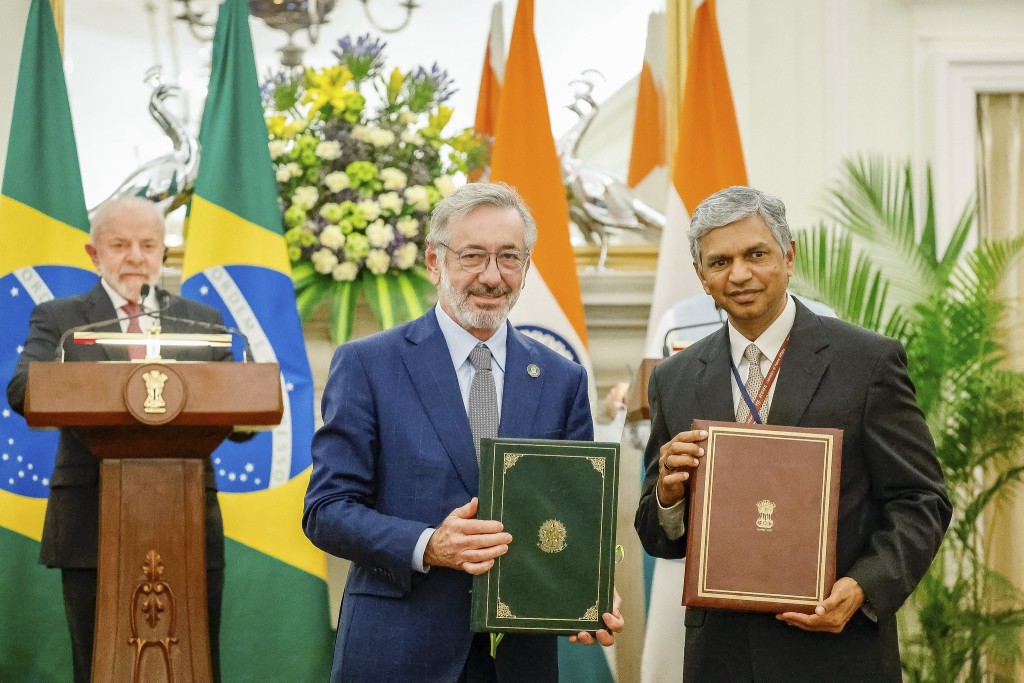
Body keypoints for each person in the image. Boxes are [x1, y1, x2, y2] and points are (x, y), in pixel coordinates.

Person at [304, 182, 624, 682]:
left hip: (518, 662)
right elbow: (326, 511)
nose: (492, 276)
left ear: (526, 267)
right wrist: (428, 544)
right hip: (397, 653)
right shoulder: (369, 365)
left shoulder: (562, 380)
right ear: (434, 262)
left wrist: (588, 586)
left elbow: (573, 515)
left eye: (509, 257)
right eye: (473, 256)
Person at [634, 186, 951, 682]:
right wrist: (669, 499)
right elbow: (659, 536)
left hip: (838, 653)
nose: (740, 274)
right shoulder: (673, 379)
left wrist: (863, 587)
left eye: (756, 254)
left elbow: (921, 499)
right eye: (720, 262)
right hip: (720, 660)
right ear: (701, 275)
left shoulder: (867, 363)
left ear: (789, 256)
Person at [7, 196, 232, 683]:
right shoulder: (60, 318)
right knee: (97, 664)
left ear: (163, 253)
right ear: (94, 253)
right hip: (90, 518)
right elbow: (24, 390)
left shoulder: (202, 321)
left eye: (148, 245)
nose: (135, 257)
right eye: (120, 245)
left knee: (194, 662)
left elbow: (238, 401)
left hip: (187, 519)